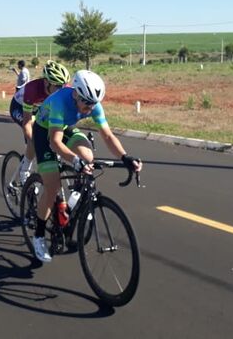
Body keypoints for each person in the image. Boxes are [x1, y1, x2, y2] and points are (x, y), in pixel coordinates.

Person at [30, 70, 142, 263]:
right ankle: (38, 236)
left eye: (94, 104)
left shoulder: (93, 104)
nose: (90, 108)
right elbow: (55, 142)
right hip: (44, 132)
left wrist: (125, 157)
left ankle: (75, 195)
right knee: (52, 187)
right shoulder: (59, 102)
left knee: (88, 156)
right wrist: (74, 161)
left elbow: (107, 135)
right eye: (87, 103)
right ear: (75, 94)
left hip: (65, 127)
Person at [9, 60, 71, 184]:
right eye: (57, 86)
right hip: (20, 108)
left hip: (40, 109)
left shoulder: (64, 90)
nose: (62, 89)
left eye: (64, 85)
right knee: (35, 138)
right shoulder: (32, 89)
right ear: (46, 82)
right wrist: (38, 143)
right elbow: (27, 123)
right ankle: (24, 170)